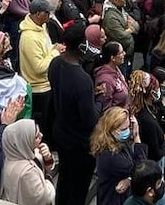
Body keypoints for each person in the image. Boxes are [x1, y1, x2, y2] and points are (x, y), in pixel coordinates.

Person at [50, 23, 99, 205]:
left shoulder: (55, 63)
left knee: (64, 179)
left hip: (61, 131)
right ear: (81, 46)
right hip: (79, 142)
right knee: (78, 187)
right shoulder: (82, 80)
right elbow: (89, 120)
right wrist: (99, 103)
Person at [93, 106, 149, 205]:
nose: (127, 131)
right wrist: (136, 136)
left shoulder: (116, 141)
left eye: (128, 127)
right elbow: (141, 170)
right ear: (112, 129)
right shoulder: (110, 155)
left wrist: (129, 179)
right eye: (124, 128)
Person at [21, 0, 60, 128]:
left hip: (47, 83)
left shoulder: (41, 26)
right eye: (47, 12)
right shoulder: (29, 37)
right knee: (40, 126)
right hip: (39, 89)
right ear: (38, 14)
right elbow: (39, 67)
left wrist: (54, 48)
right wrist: (56, 52)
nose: (50, 15)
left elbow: (46, 51)